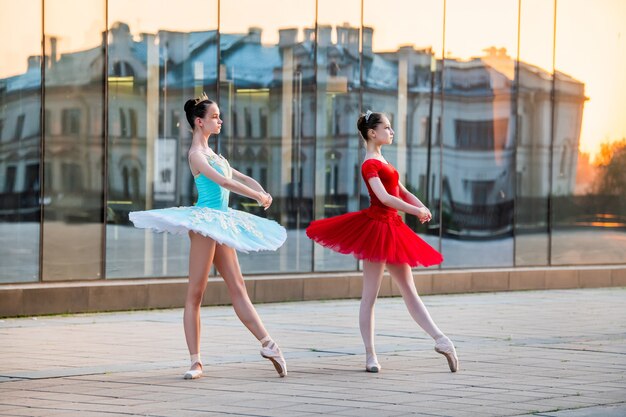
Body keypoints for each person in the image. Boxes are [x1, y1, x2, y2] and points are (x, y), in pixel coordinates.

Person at [129, 93, 287, 379]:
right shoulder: (196, 156)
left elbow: (238, 176)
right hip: (204, 224)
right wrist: (256, 196)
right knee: (196, 293)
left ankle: (269, 344)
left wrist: (261, 190)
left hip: (221, 223)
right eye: (215, 117)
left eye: (219, 116)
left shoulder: (215, 155)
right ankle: (195, 362)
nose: (220, 120)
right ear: (199, 122)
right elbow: (224, 182)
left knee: (238, 288)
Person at [306, 110, 458, 373]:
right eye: (387, 127)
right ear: (372, 133)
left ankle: (441, 340)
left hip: (393, 228)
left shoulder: (382, 160)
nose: (392, 131)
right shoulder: (369, 164)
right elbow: (385, 198)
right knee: (370, 296)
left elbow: (400, 190)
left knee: (409, 290)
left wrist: (421, 206)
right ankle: (370, 355)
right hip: (376, 229)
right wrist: (415, 211)